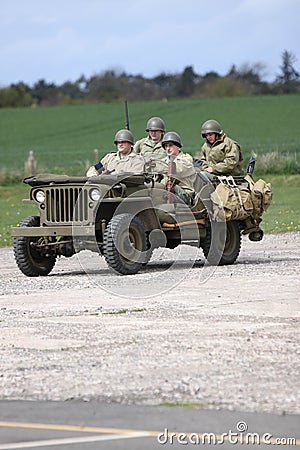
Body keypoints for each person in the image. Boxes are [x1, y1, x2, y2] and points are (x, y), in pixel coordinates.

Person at [160, 131, 196, 206]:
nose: (168, 148)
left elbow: (177, 170)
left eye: (170, 145)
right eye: (166, 146)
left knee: (168, 187)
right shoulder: (164, 161)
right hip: (168, 193)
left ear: (178, 146)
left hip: (185, 195)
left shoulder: (186, 159)